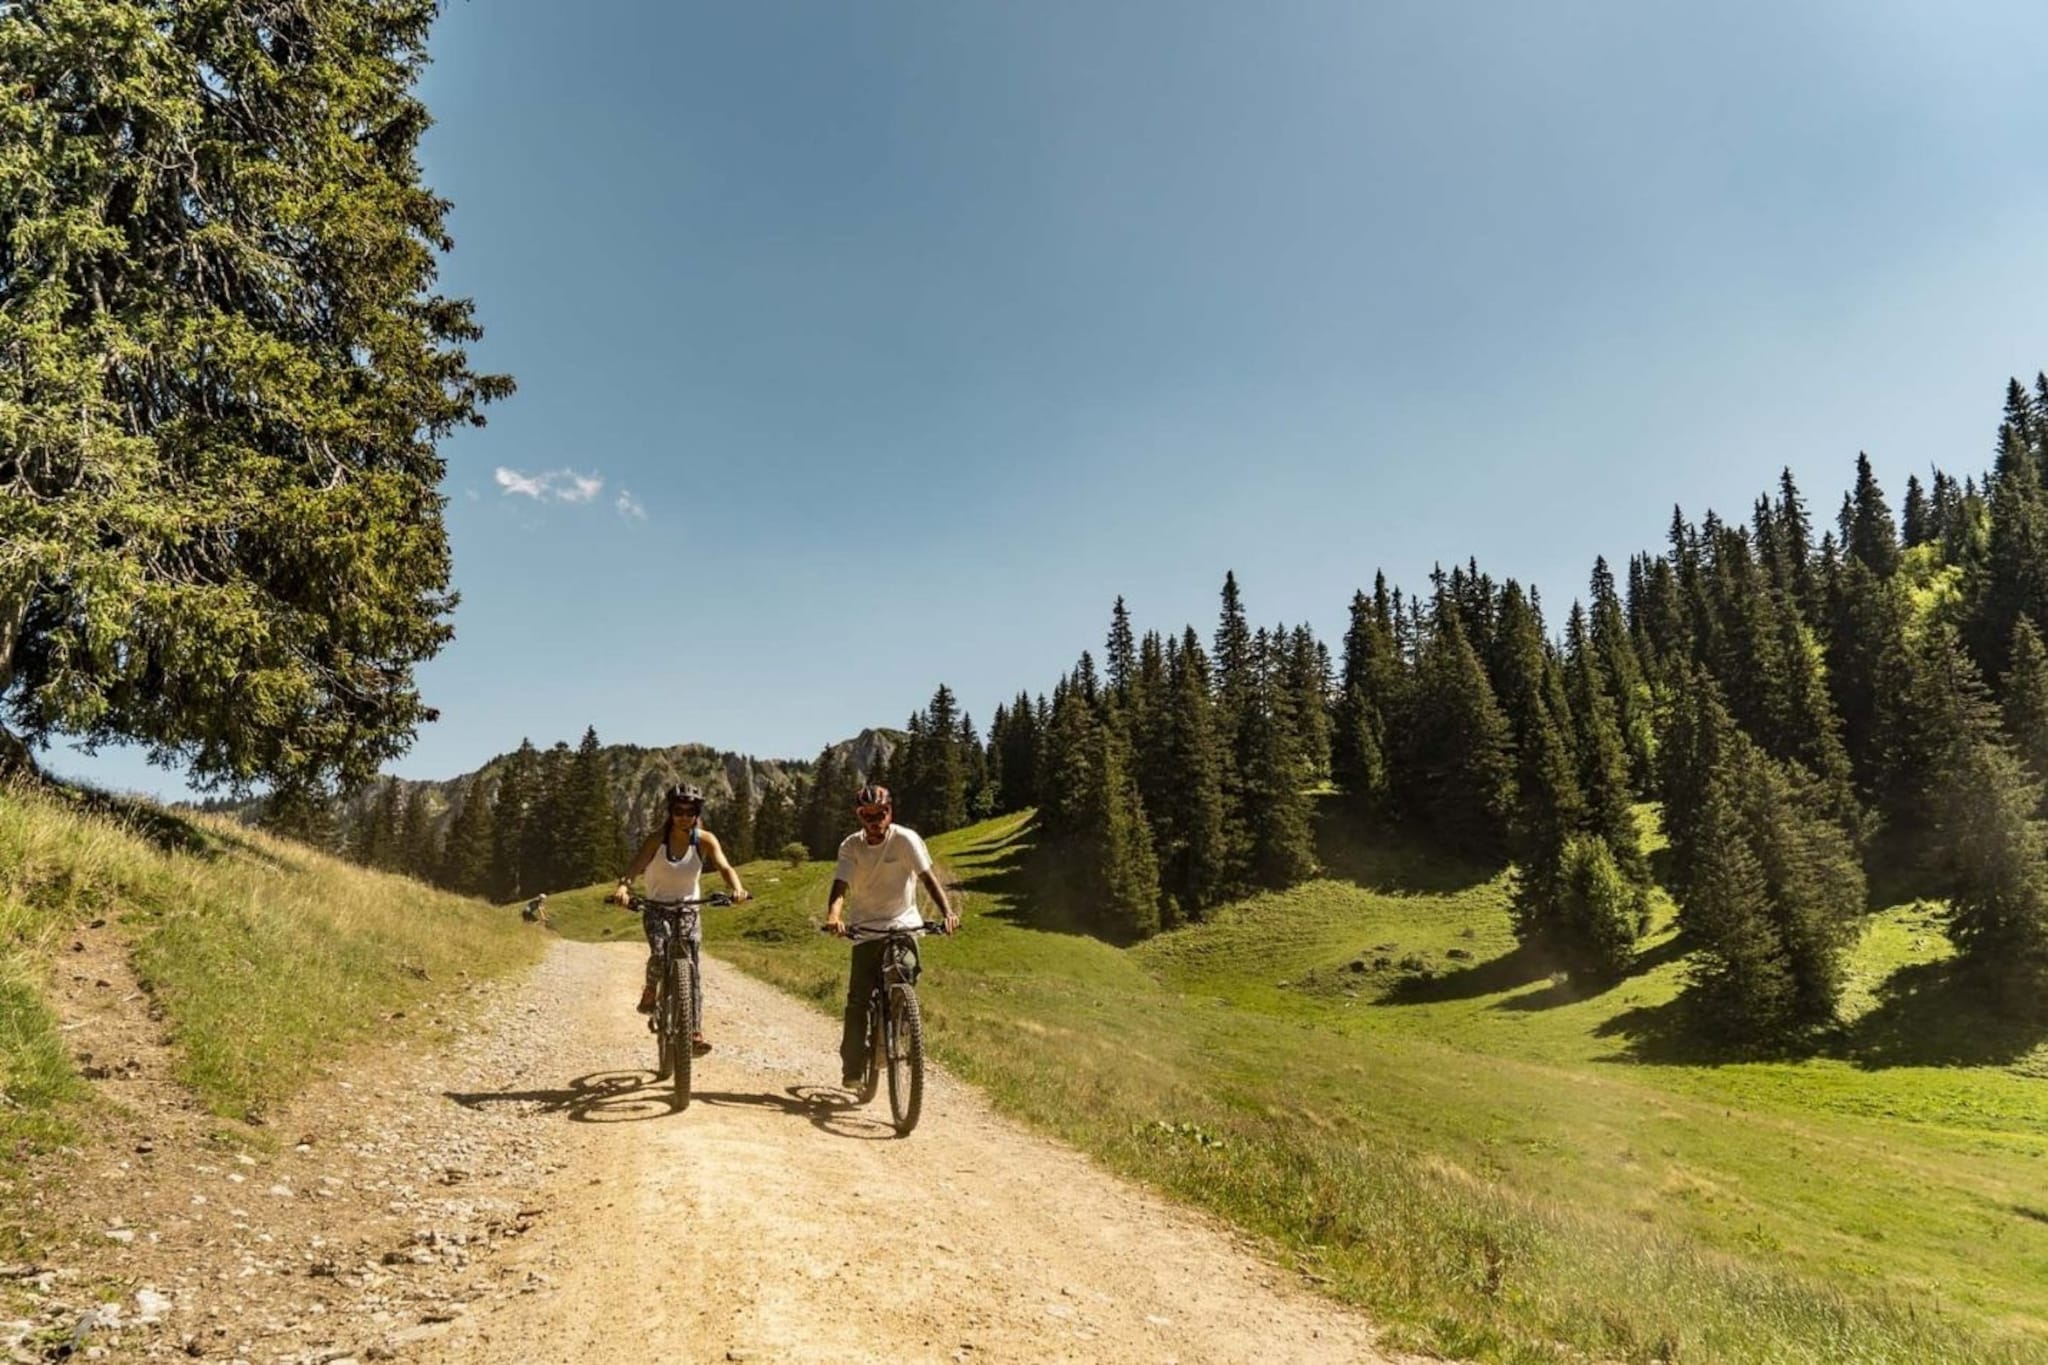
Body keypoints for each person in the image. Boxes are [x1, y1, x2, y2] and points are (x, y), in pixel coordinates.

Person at [822, 784, 957, 1088]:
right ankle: (853, 1068)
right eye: (867, 816)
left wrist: (947, 912)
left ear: (889, 812)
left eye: (880, 814)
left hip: (903, 925)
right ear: (859, 817)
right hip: (866, 928)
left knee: (905, 974)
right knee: (858, 1001)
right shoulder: (850, 847)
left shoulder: (906, 840)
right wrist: (834, 916)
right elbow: (840, 886)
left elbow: (928, 878)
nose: (875, 821)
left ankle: (898, 1026)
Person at [609, 783, 749, 1056]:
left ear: (697, 813)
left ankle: (694, 1032)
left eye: (690, 811)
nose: (684, 816)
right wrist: (624, 888)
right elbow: (636, 866)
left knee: (692, 971)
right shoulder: (656, 839)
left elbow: (724, 866)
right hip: (656, 907)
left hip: (688, 910)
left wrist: (737, 889)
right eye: (678, 810)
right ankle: (651, 990)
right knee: (660, 954)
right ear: (670, 812)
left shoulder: (705, 839)